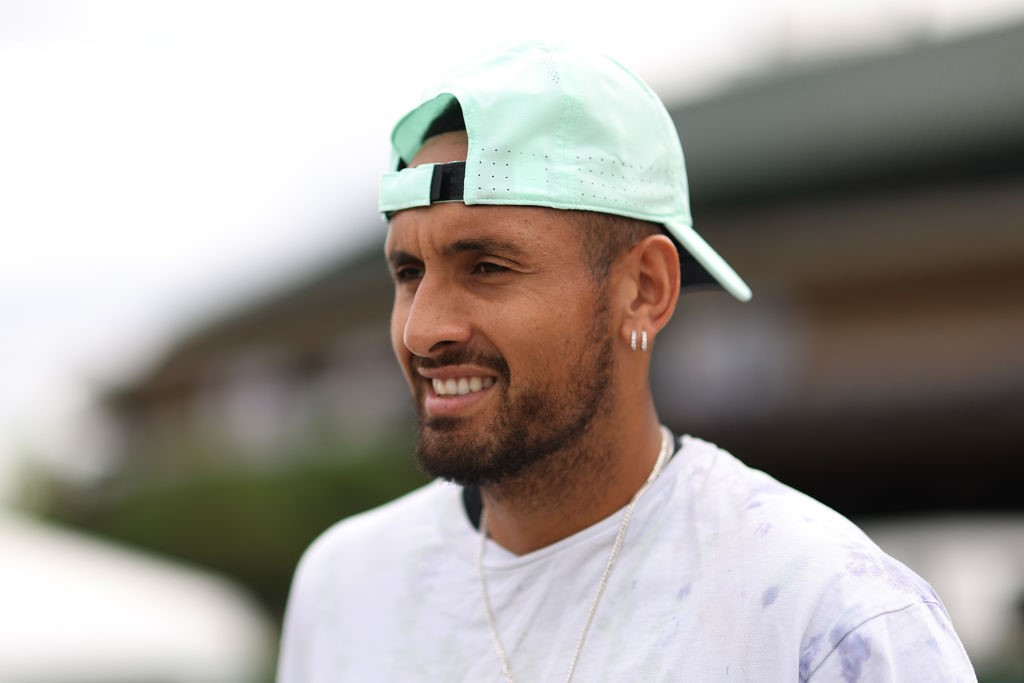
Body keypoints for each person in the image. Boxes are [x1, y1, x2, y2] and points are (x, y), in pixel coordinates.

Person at [277, 41, 976, 682]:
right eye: (407, 271)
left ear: (644, 290)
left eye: (486, 266)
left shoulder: (825, 615)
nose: (423, 328)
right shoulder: (345, 588)